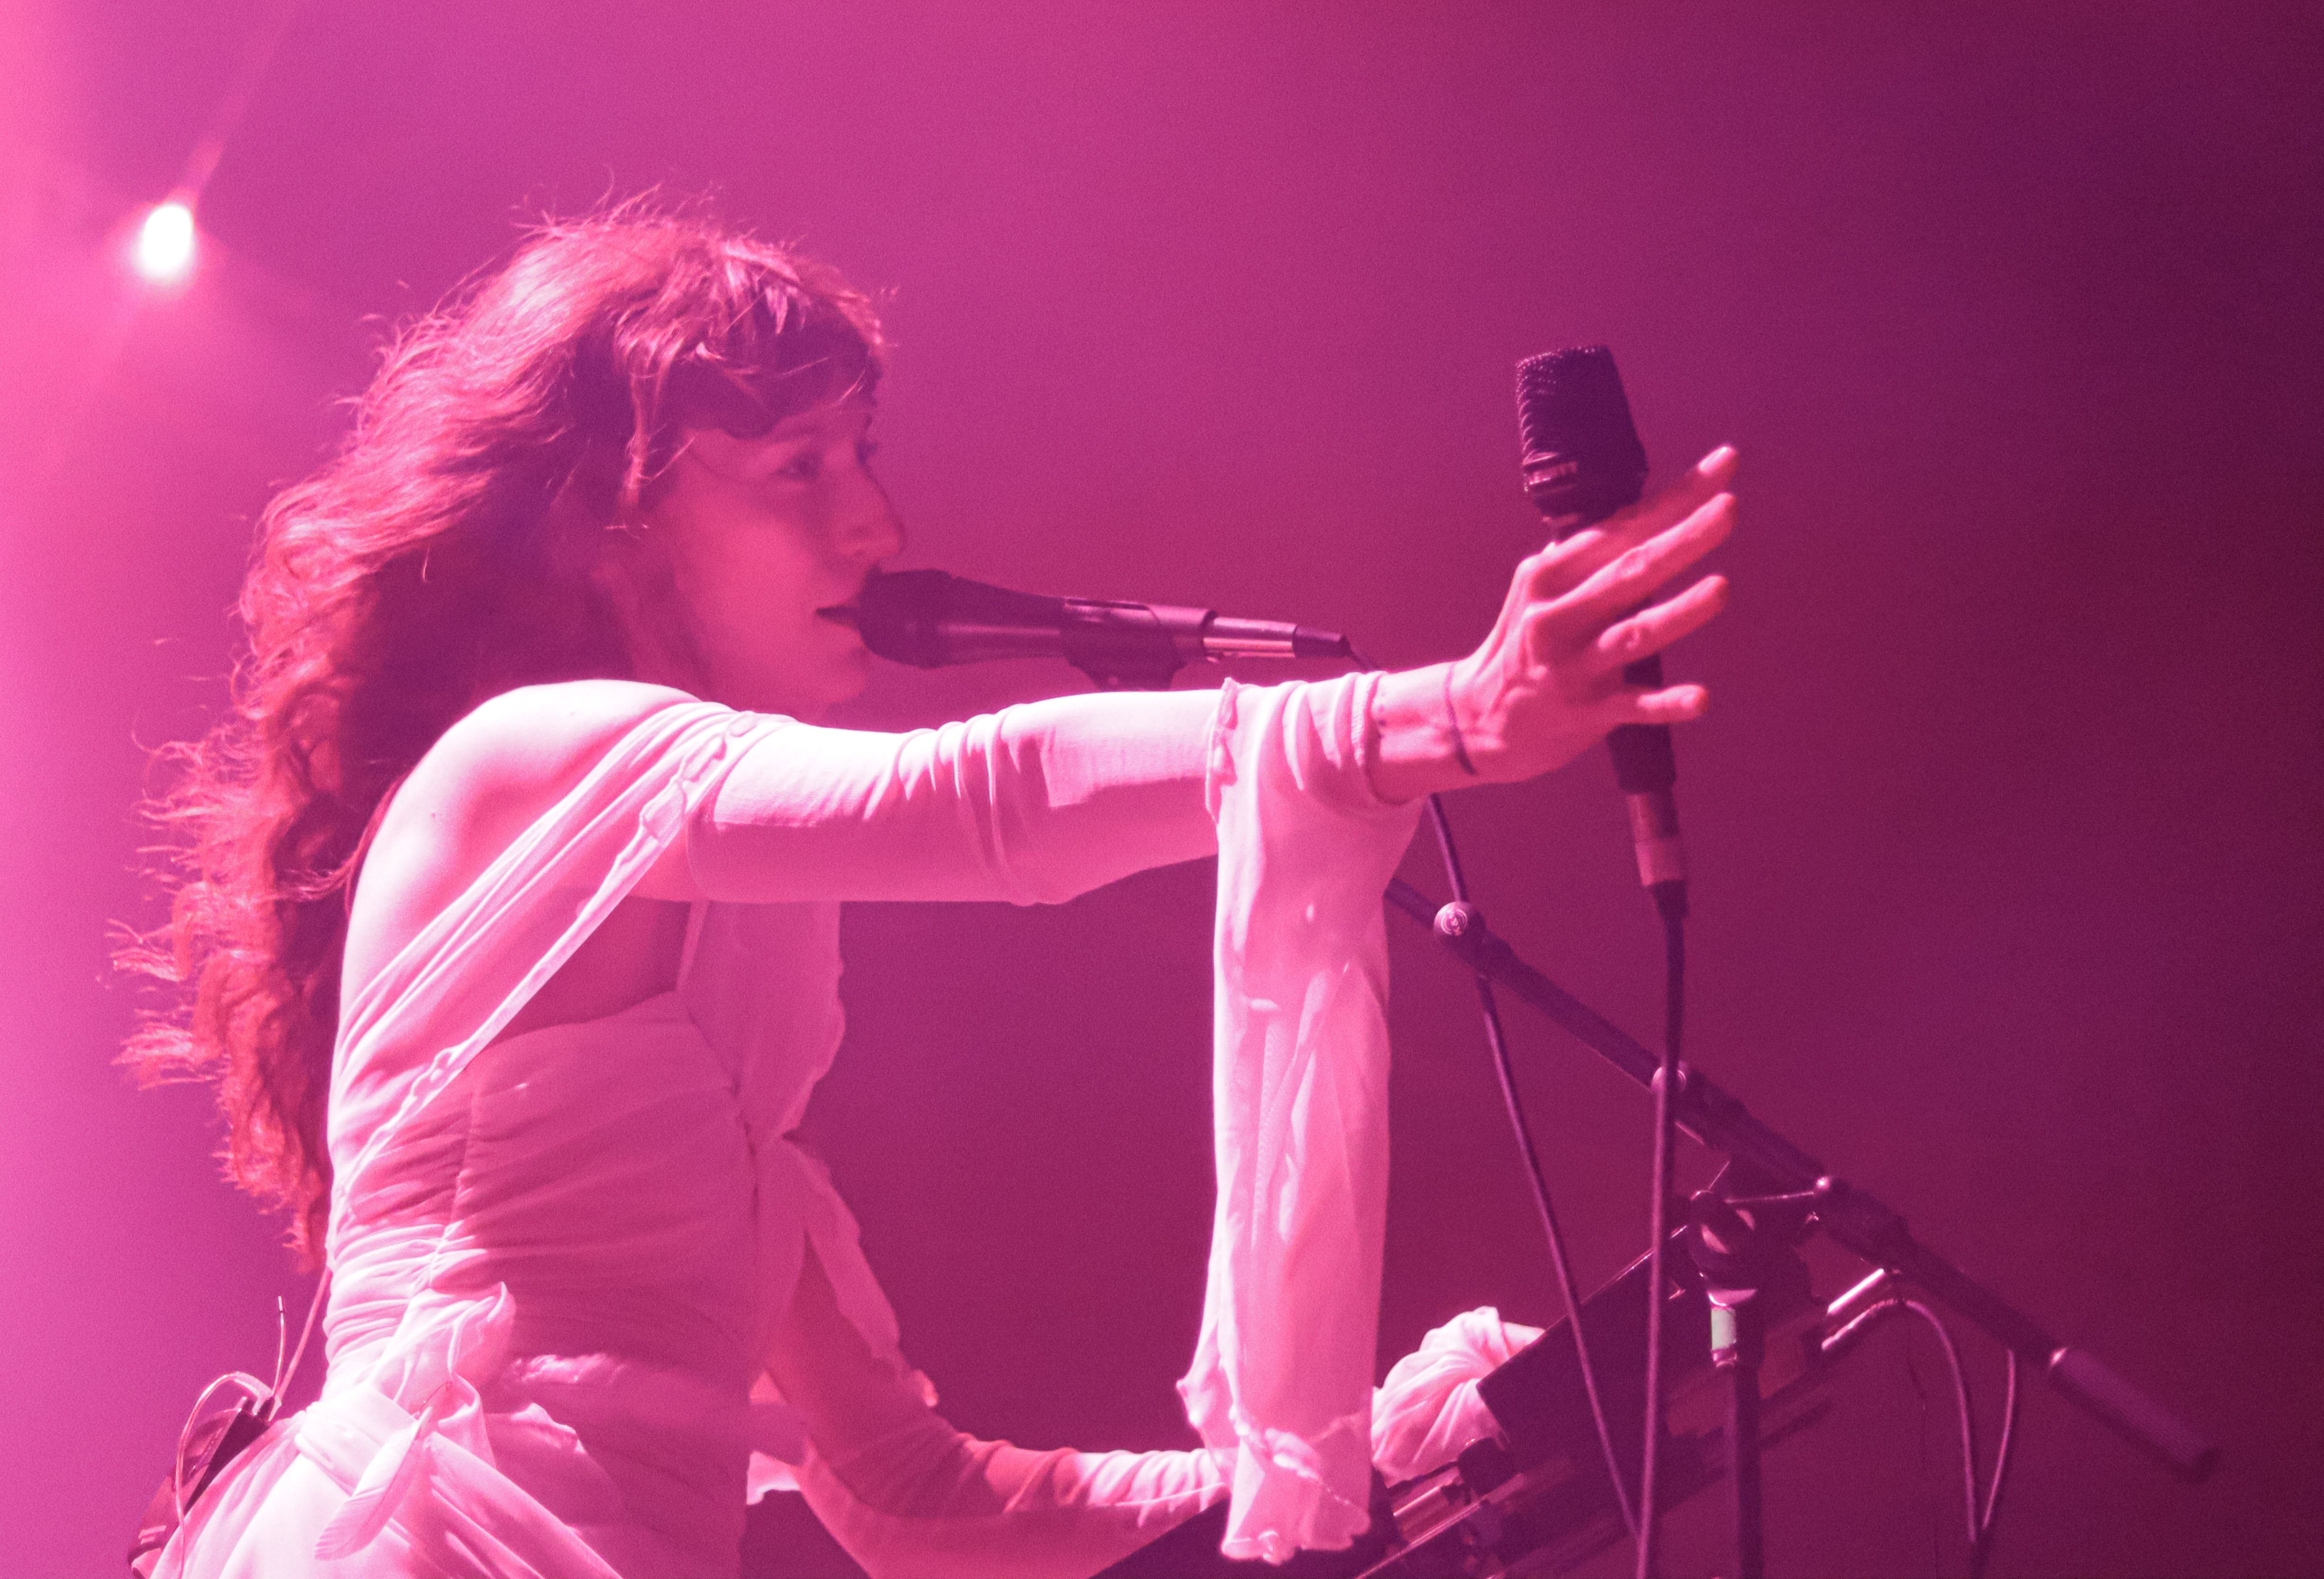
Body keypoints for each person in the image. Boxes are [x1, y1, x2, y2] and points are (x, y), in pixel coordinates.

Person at [123, 207, 1736, 1579]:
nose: (874, 520)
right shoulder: (533, 757)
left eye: (861, 456)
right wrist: (1444, 717)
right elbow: (984, 802)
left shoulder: (720, 1117)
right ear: (602, 525)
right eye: (792, 465)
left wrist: (1380, 1467)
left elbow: (919, 1494)